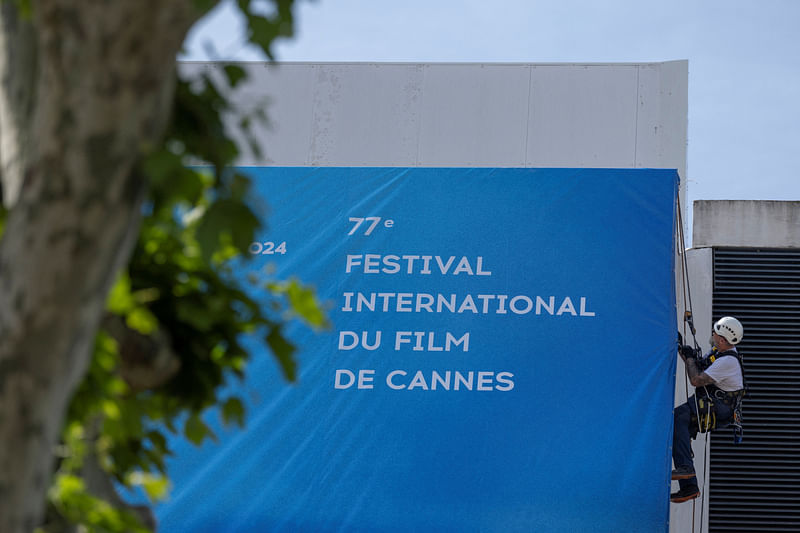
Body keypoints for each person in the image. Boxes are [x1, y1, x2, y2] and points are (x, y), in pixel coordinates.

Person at [671, 316, 746, 503]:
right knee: (679, 428)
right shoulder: (718, 353)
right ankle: (689, 487)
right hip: (712, 404)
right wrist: (683, 349)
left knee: (678, 418)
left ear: (722, 339)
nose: (712, 334)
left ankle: (687, 471)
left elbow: (696, 380)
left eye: (715, 332)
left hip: (718, 409)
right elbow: (696, 367)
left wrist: (688, 358)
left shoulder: (727, 361)